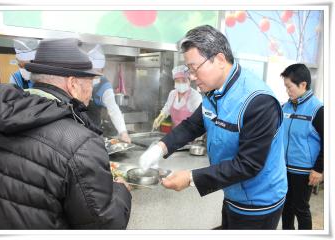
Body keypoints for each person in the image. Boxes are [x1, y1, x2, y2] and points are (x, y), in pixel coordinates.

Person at [139, 25, 287, 230]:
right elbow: (193, 125)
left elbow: (248, 165)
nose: (191, 76)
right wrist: (160, 148)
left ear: (218, 59)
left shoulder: (258, 101)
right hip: (233, 190)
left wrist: (191, 178)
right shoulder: (213, 91)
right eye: (188, 70)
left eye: (193, 68)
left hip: (259, 202)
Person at [0, 38, 132, 229]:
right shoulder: (81, 143)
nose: (91, 91)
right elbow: (104, 226)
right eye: (90, 81)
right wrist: (121, 191)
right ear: (73, 84)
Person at [280, 63, 324, 230]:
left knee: (301, 208)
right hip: (284, 168)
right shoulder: (286, 106)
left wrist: (319, 169)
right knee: (286, 207)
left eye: (289, 87)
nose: (287, 91)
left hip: (304, 171)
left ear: (303, 84)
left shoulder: (318, 109)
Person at [87, 44, 131, 143]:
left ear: (102, 71)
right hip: (74, 127)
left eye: (96, 72)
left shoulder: (104, 87)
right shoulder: (79, 79)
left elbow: (114, 109)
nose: (93, 76)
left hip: (93, 132)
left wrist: (123, 133)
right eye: (90, 72)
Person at [152, 65, 202, 130]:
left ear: (189, 81)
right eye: (177, 81)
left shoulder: (195, 96)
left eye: (184, 80)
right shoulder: (172, 94)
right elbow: (166, 109)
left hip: (191, 134)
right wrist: (159, 118)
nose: (180, 83)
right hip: (175, 133)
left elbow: (199, 119)